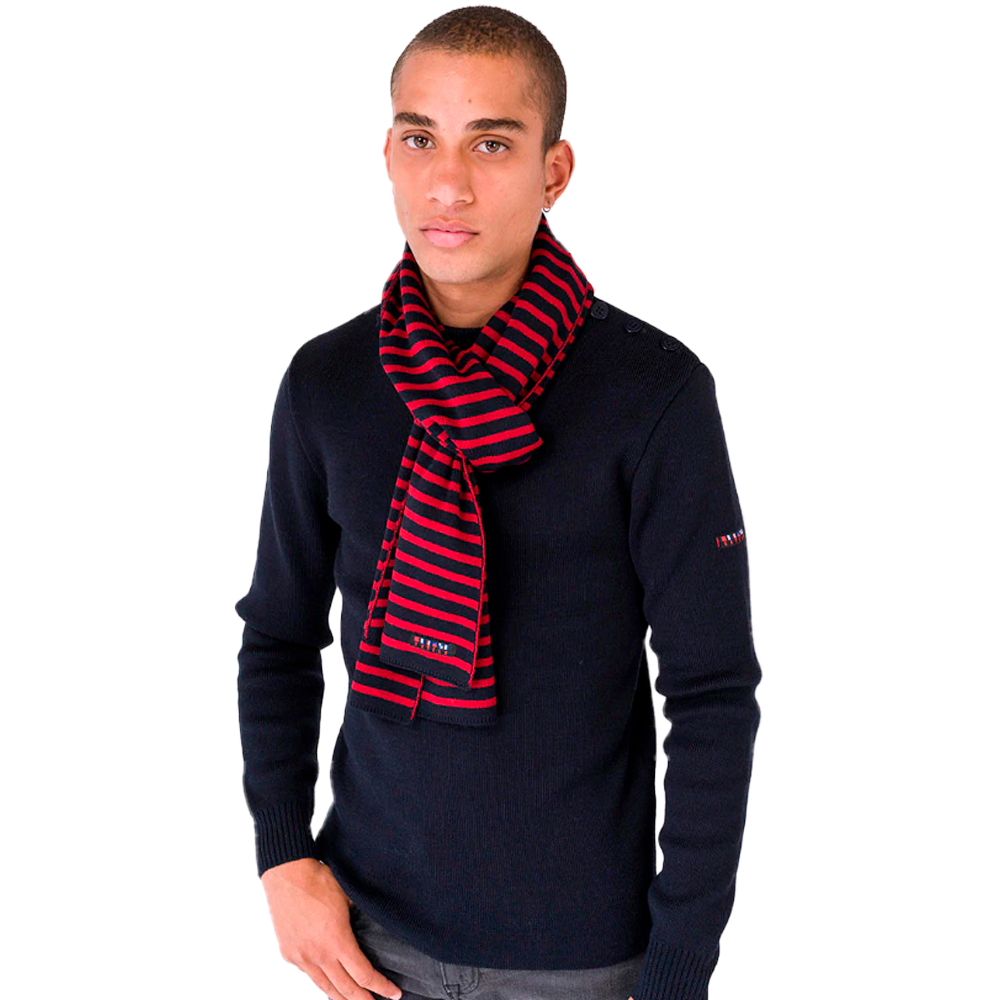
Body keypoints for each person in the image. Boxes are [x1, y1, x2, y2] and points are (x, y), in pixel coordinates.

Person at [235, 7, 763, 1000]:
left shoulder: (653, 395)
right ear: (387, 155)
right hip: (364, 940)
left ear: (554, 171)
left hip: (583, 961)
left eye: (490, 143)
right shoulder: (328, 383)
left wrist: (679, 968)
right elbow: (277, 636)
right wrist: (281, 855)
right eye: (419, 139)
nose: (448, 184)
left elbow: (710, 693)